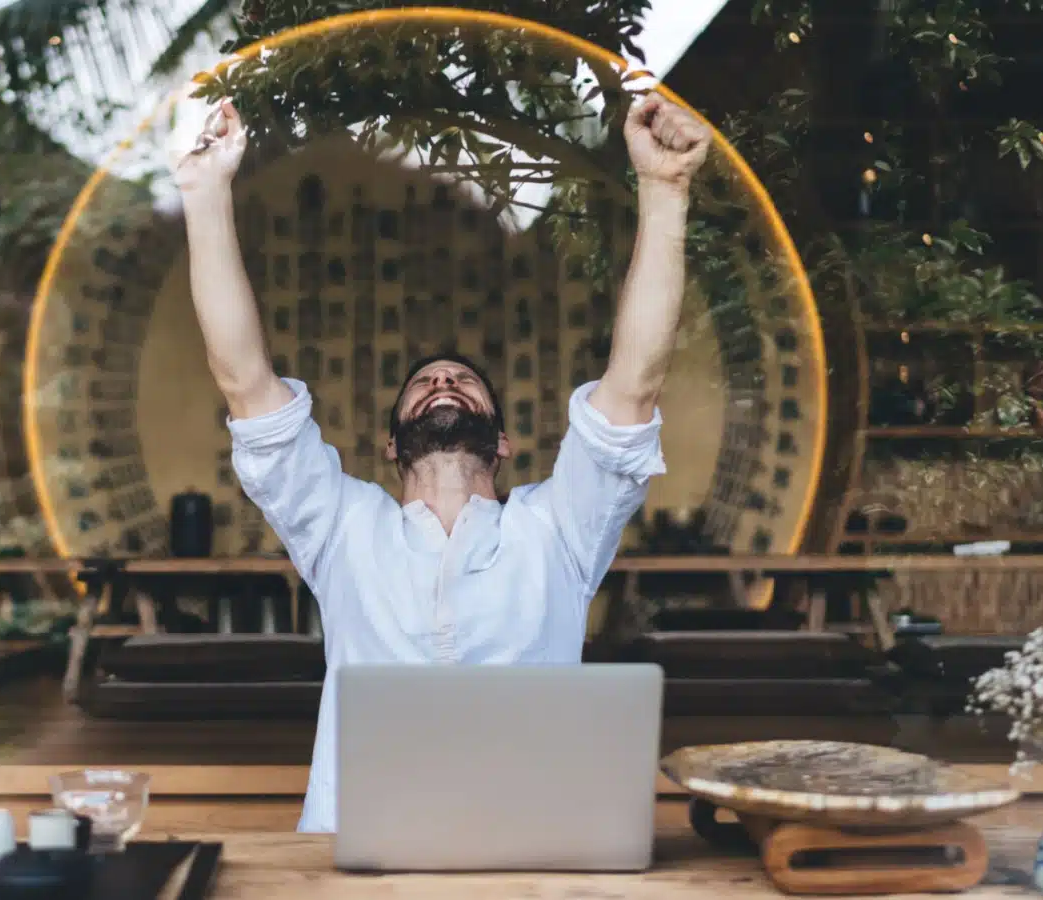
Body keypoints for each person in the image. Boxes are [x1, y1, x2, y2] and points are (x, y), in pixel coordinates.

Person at [173, 93, 710, 833]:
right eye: (424, 383)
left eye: (463, 381)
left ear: (503, 443)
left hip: (535, 857)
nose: (443, 384)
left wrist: (666, 189)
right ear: (392, 443)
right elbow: (244, 381)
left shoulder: (559, 530)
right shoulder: (343, 529)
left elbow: (634, 385)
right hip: (359, 859)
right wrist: (204, 194)